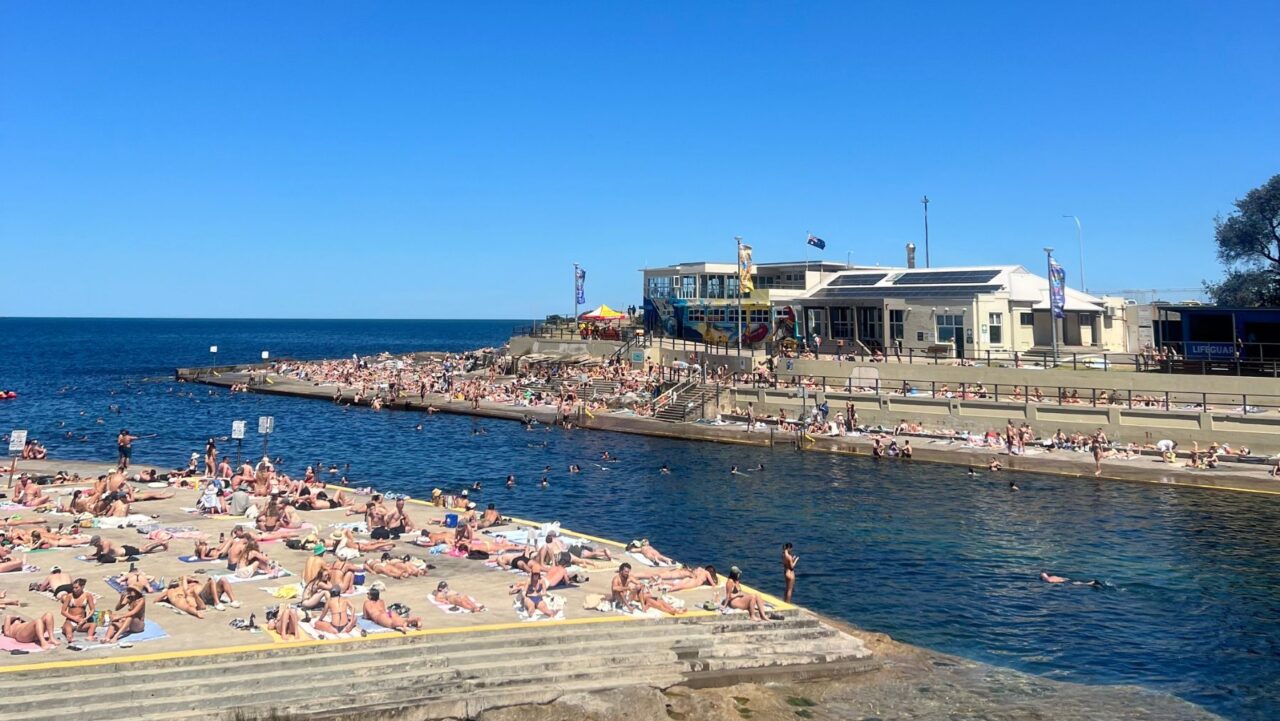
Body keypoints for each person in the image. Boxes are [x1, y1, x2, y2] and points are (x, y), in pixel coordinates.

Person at [59, 578, 97, 643]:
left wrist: (85, 619)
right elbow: (63, 611)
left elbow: (92, 609)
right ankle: (69, 637)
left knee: (93, 625)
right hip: (70, 621)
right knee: (68, 629)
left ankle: (89, 636)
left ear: (82, 587)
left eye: (76, 588)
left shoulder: (87, 595)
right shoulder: (69, 596)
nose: (74, 590)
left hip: (81, 621)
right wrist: (74, 618)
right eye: (73, 588)